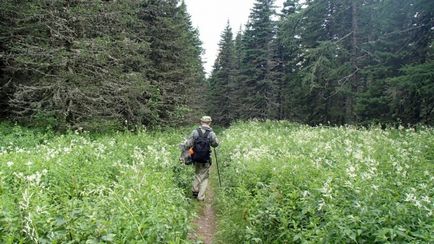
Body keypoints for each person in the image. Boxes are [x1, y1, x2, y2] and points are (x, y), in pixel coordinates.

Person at [181, 116, 219, 201]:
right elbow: (215, 144)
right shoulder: (211, 133)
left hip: (196, 157)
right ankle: (200, 196)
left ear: (201, 122)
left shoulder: (195, 132)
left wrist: (184, 152)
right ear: (209, 123)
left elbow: (188, 144)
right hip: (206, 158)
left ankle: (195, 190)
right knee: (205, 177)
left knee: (197, 173)